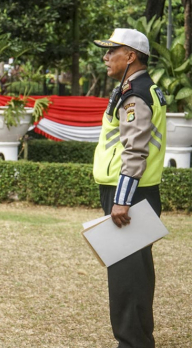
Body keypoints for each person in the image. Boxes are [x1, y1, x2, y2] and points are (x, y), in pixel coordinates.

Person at [92, 28, 166, 348]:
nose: (106, 57)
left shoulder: (134, 93)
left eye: (112, 51)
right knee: (136, 272)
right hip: (138, 191)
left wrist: (121, 201)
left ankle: (132, 342)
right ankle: (140, 337)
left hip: (129, 193)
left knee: (126, 275)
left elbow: (134, 151)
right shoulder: (142, 88)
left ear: (131, 56)